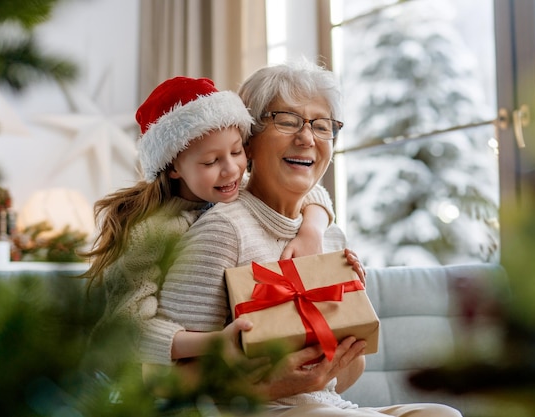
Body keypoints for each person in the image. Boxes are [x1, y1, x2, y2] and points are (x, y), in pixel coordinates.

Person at [144, 61, 462, 416]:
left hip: (329, 406)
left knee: (441, 414)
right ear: (248, 140)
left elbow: (339, 379)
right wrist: (272, 384)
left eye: (322, 125)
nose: (307, 138)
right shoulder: (222, 229)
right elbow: (160, 381)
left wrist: (346, 323)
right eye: (287, 120)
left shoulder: (328, 234)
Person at [81, 76, 348, 380]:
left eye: (237, 152)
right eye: (211, 161)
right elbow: (128, 329)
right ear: (173, 168)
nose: (232, 169)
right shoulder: (151, 232)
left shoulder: (229, 189)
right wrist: (216, 342)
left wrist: (311, 228)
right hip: (120, 381)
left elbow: (312, 192)